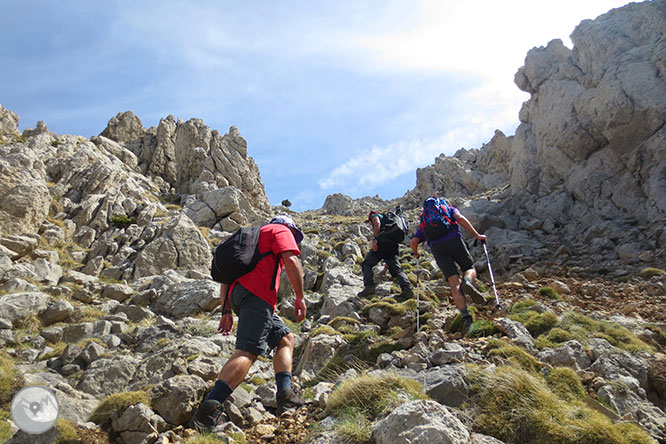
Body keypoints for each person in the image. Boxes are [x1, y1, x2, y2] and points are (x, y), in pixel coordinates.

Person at [191, 215, 307, 432]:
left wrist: (226, 309)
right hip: (258, 296)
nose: (295, 239)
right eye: (295, 235)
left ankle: (286, 394)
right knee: (248, 351)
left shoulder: (251, 239)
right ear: (288, 227)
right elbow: (291, 259)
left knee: (285, 338)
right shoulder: (279, 231)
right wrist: (300, 296)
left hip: (239, 296)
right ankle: (209, 409)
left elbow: (227, 278)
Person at [410, 197, 487, 333]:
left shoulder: (425, 219)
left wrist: (416, 254)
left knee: (453, 281)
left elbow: (414, 241)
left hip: (437, 247)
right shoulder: (448, 209)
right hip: (453, 239)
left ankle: (465, 316)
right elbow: (460, 219)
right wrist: (476, 235)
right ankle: (468, 281)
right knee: (469, 268)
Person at [357, 210, 414, 300]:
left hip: (381, 244)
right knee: (396, 270)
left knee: (367, 264)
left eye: (369, 222)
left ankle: (369, 287)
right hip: (393, 246)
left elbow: (377, 223)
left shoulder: (374, 215)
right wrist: (387, 261)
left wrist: (375, 238)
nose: (370, 224)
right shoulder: (388, 220)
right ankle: (407, 289)